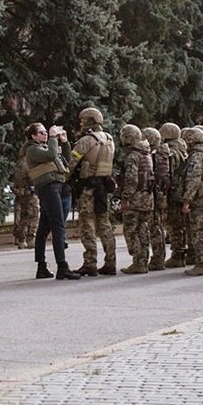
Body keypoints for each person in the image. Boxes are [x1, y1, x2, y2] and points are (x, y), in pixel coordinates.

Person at [22, 122, 80, 280]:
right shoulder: (32, 150)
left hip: (56, 187)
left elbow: (66, 161)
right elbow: (51, 156)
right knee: (58, 226)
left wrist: (65, 142)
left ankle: (41, 267)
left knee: (43, 230)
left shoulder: (46, 146)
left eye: (45, 132)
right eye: (41, 133)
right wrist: (54, 138)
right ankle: (62, 266)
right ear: (33, 136)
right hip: (48, 188)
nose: (45, 134)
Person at [70, 107, 117, 276]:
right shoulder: (110, 139)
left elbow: (71, 162)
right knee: (104, 224)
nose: (81, 123)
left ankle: (90, 263)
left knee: (87, 225)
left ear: (90, 121)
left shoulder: (87, 140)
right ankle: (111, 262)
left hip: (88, 189)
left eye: (83, 120)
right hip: (103, 188)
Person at [180, 127, 203, 276]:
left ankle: (202, 265)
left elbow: (193, 179)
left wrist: (187, 200)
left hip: (200, 199)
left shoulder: (196, 156)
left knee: (200, 232)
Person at [118, 125, 154, 274]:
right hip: (147, 198)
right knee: (143, 229)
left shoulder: (133, 155)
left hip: (135, 199)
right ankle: (143, 260)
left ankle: (138, 261)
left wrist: (126, 198)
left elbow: (131, 179)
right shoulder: (146, 153)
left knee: (131, 230)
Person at [161, 122, 188, 267]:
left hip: (174, 192)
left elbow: (167, 174)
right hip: (183, 191)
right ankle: (184, 252)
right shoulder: (183, 149)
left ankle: (178, 255)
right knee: (181, 224)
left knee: (174, 224)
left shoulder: (171, 152)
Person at [143, 127, 170, 271]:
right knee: (158, 226)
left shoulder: (156, 155)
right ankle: (159, 258)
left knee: (155, 227)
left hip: (156, 194)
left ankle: (158, 259)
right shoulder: (164, 153)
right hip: (162, 194)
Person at [12, 154, 38, 249]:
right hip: (29, 192)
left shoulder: (19, 163)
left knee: (23, 216)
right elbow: (33, 176)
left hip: (21, 193)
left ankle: (21, 239)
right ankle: (31, 238)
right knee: (34, 214)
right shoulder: (28, 163)